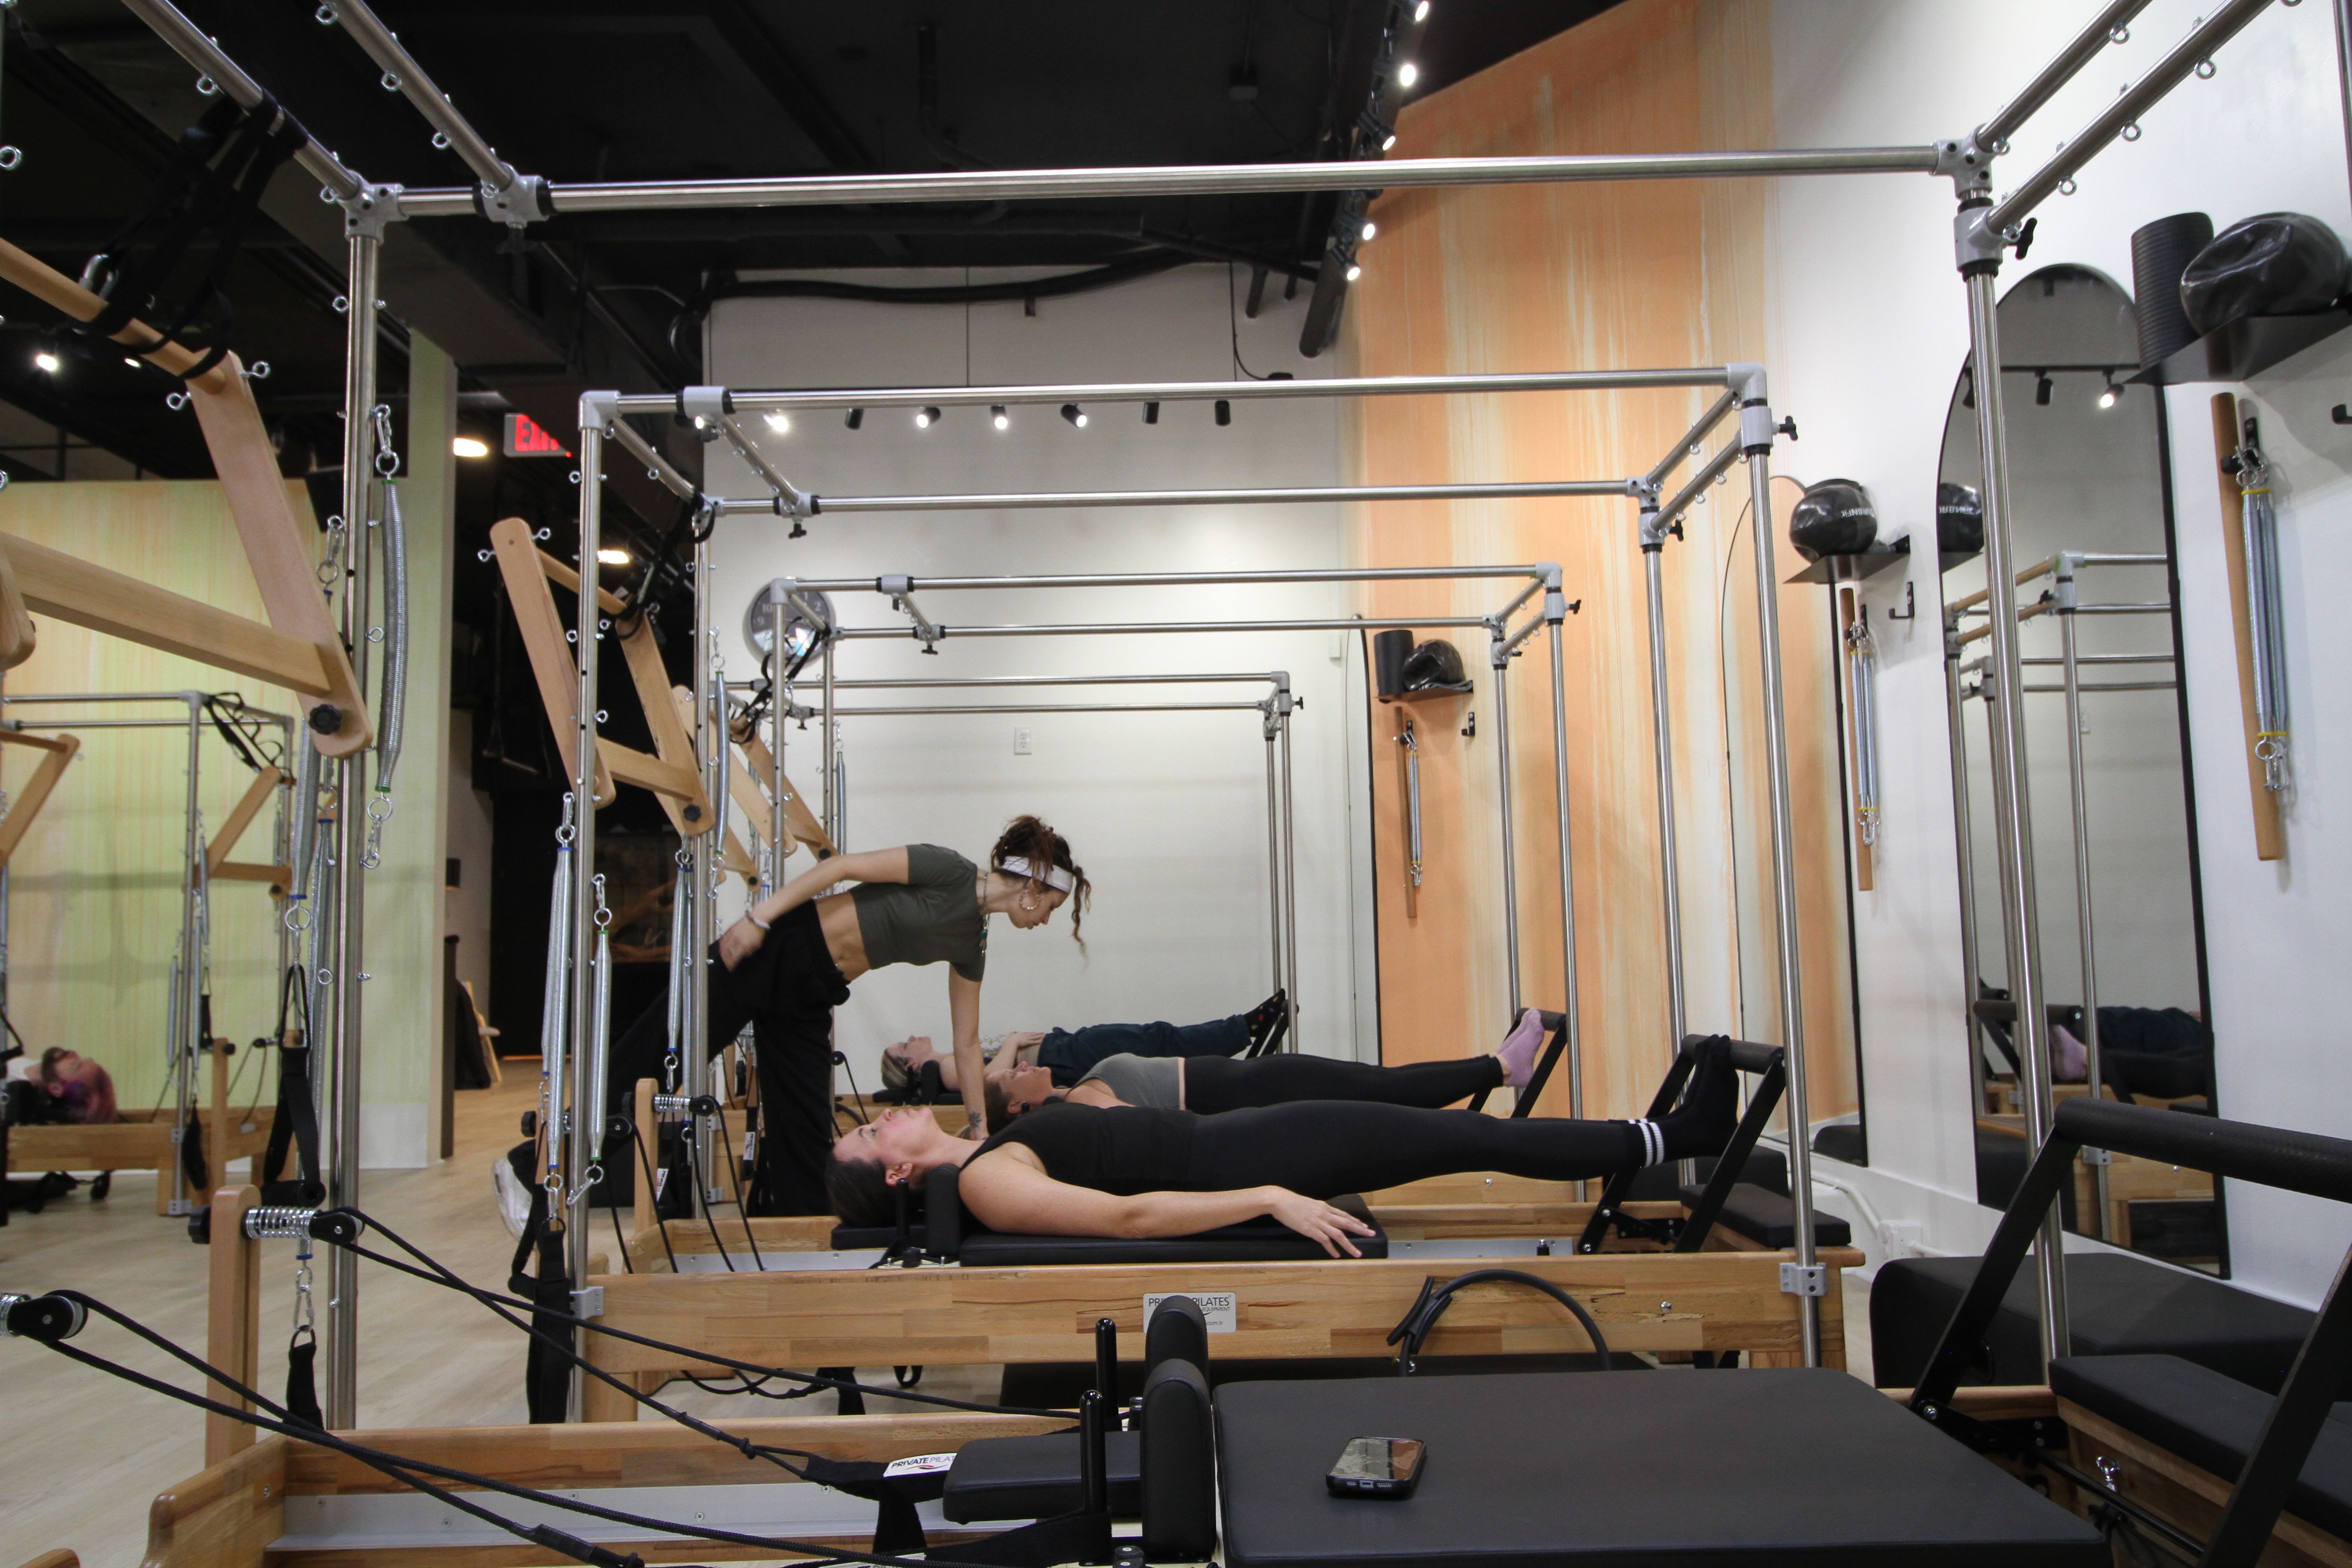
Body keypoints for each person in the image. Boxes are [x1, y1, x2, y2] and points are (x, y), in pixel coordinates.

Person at [828, 1037, 1740, 1255]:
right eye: (876, 1134)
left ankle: (1662, 1135)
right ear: (902, 1171)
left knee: (1459, 1133)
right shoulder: (991, 1187)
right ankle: (1672, 1138)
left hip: (1241, 1140)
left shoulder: (989, 1154)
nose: (886, 1115)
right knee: (1465, 1136)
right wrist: (1268, 1197)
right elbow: (1131, 1216)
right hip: (1252, 1159)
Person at [603, 815, 1089, 1215]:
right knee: (650, 1061)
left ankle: (800, 1233)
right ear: (1034, 884)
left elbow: (966, 1043)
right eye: (1052, 906)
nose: (1045, 919)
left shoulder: (974, 941)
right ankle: (547, 1164)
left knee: (807, 1133)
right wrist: (758, 919)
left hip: (814, 990)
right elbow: (840, 869)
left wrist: (981, 1137)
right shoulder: (948, 870)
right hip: (782, 947)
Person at [984, 1006, 1557, 1125]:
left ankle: (1498, 1069)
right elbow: (1158, 1136)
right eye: (1011, 1075)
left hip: (1252, 1086)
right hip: (1250, 1096)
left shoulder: (1081, 1089)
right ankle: (1500, 1069)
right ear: (1019, 1104)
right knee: (1376, 1089)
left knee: (1375, 1086)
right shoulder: (1085, 1103)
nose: (1019, 1065)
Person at [881, 990, 1289, 1100]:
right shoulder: (945, 1067)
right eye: (905, 1046)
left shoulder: (947, 1059)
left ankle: (1239, 1031)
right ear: (911, 1069)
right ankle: (1242, 1029)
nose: (913, 1039)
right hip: (1061, 1056)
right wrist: (1011, 1042)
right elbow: (988, 1080)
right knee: (1157, 1040)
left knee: (1157, 1041)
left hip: (1061, 1051)